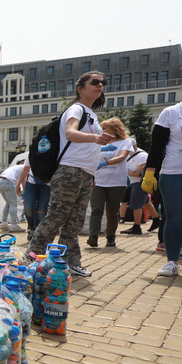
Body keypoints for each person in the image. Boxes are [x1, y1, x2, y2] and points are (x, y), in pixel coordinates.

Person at [25, 71, 115, 278]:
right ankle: (31, 259)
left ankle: (69, 262)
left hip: (84, 173)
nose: (100, 85)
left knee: (74, 222)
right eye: (94, 82)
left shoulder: (92, 114)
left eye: (103, 82)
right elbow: (70, 133)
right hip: (70, 171)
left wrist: (91, 173)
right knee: (56, 217)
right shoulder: (76, 108)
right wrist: (96, 138)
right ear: (80, 88)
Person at [143, 67, 182, 276]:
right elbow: (157, 147)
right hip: (175, 173)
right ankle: (172, 261)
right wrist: (150, 172)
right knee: (176, 217)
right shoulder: (172, 113)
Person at [87, 118, 133, 247]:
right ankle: (93, 237)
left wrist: (106, 163)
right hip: (98, 181)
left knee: (112, 212)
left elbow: (122, 156)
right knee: (96, 209)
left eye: (105, 128)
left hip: (117, 182)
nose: (102, 131)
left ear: (115, 129)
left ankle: (111, 237)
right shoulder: (99, 142)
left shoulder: (125, 142)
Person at [119, 138, 159, 235]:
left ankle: (137, 227)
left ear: (133, 146)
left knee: (136, 204)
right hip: (133, 183)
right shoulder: (130, 155)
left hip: (140, 183)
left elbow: (143, 174)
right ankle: (157, 220)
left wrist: (128, 173)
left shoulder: (142, 156)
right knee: (146, 202)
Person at [15, 155, 51, 241]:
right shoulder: (34, 151)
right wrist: (18, 183)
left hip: (47, 184)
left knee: (42, 209)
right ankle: (31, 228)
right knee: (29, 208)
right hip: (32, 182)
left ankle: (38, 231)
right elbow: (26, 169)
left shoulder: (55, 151)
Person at [0, 163, 26, 232]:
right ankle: (14, 225)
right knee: (13, 203)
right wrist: (24, 192)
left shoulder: (18, 167)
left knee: (8, 203)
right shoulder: (27, 169)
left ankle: (3, 223)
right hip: (9, 182)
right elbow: (24, 182)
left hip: (0, 181)